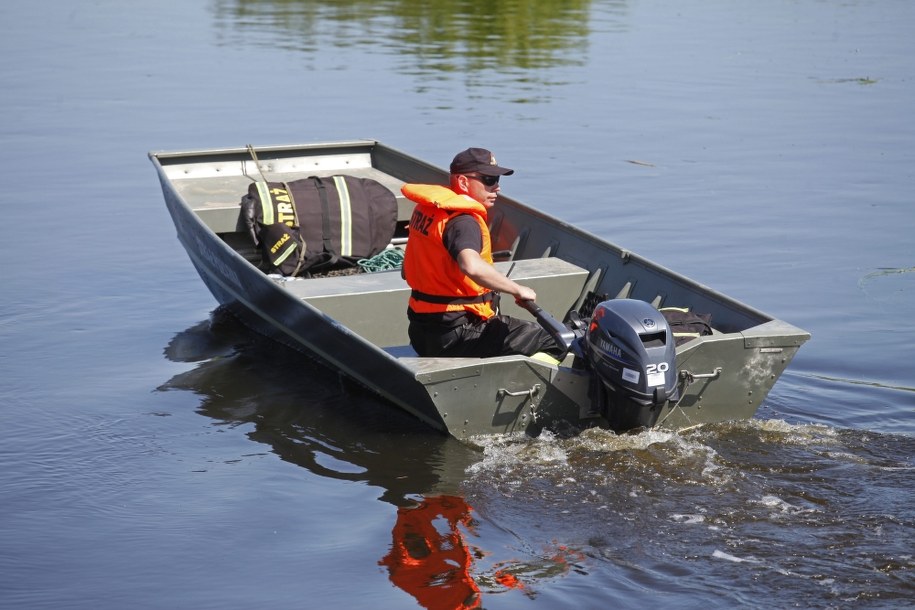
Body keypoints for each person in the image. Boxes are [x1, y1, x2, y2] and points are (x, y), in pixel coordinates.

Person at [402, 147, 562, 359]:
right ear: (462, 182)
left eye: (497, 180)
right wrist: (517, 289)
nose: (496, 188)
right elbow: (471, 265)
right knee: (555, 341)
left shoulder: (428, 211)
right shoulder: (464, 221)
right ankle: (521, 390)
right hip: (459, 334)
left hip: (422, 333)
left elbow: (406, 271)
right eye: (489, 180)